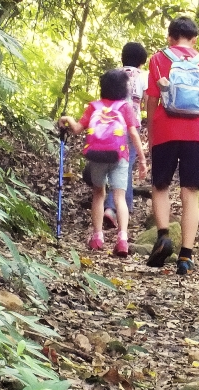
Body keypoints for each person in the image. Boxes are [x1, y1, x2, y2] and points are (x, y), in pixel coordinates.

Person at [145, 16, 199, 276]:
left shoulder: (158, 59)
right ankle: (186, 256)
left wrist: (151, 134)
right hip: (197, 133)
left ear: (170, 37)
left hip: (166, 130)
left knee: (160, 186)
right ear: (195, 40)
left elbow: (152, 99)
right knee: (190, 194)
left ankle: (164, 236)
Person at [59, 69, 147, 256]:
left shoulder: (94, 106)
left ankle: (98, 237)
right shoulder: (125, 107)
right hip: (119, 156)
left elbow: (76, 129)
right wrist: (142, 160)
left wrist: (67, 119)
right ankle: (122, 239)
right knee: (119, 197)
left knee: (98, 194)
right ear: (123, 88)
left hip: (96, 156)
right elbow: (133, 133)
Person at [104, 42, 148, 228]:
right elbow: (146, 101)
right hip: (130, 124)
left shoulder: (115, 74)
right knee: (125, 165)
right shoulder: (143, 76)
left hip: (110, 124)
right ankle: (112, 207)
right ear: (141, 61)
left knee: (117, 164)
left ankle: (125, 206)